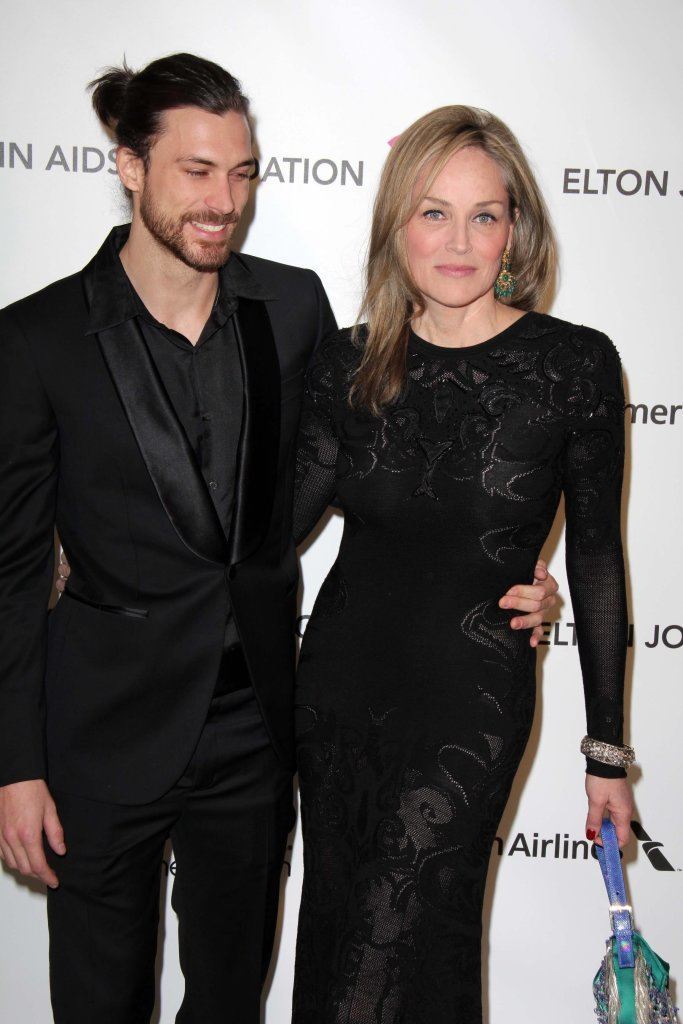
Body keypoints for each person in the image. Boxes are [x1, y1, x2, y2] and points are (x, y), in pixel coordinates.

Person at [0, 58, 560, 1023]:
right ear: (131, 167)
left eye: (244, 173)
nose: (225, 202)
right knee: (98, 1002)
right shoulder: (36, 339)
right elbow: (10, 571)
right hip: (98, 731)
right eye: (197, 171)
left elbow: (377, 467)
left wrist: (504, 564)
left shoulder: (293, 309)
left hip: (257, 734)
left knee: (230, 1000)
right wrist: (14, 764)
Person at [290, 105, 634, 1023]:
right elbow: (265, 534)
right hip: (338, 692)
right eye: (432, 213)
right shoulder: (346, 366)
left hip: (469, 698)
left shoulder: (572, 365)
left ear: (514, 228)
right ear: (395, 224)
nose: (458, 241)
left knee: (397, 926)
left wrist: (606, 754)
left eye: (484, 215)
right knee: (350, 932)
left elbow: (597, 559)